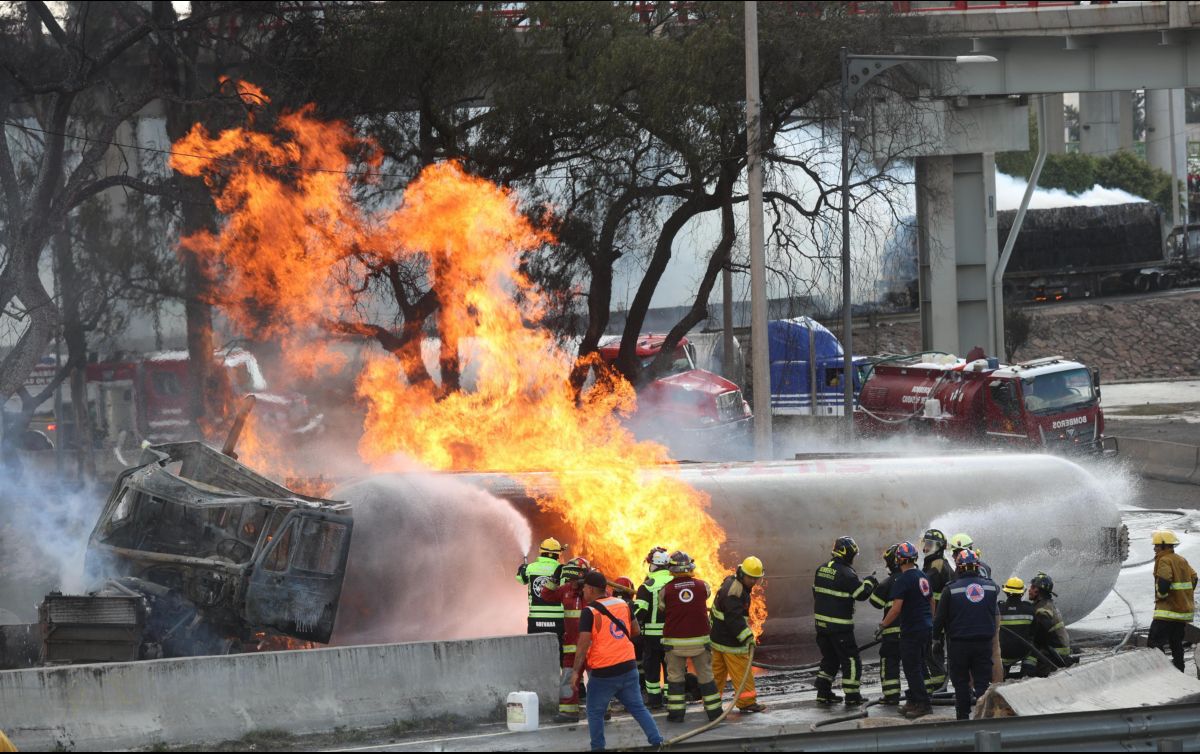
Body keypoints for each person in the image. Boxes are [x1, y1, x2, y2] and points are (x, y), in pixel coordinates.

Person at [571, 570, 663, 752]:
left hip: (603, 672)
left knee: (595, 713)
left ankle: (598, 748)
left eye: (584, 589)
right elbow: (635, 630)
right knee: (638, 708)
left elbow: (582, 645)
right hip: (628, 667)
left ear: (590, 589)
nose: (583, 592)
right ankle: (657, 741)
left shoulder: (589, 612)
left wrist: (575, 672)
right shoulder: (623, 604)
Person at [934, 550, 1000, 720]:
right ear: (977, 566)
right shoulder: (991, 587)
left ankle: (963, 717)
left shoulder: (950, 589)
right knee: (982, 682)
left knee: (961, 682)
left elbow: (940, 619)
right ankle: (983, 716)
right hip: (983, 643)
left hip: (959, 644)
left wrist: (935, 639)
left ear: (959, 568)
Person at [812, 536, 877, 706]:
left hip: (821, 626)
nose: (853, 558)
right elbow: (861, 594)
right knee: (851, 660)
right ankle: (852, 696)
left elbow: (817, 594)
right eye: (853, 554)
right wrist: (870, 582)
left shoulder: (821, 569)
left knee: (830, 659)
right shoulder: (846, 573)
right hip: (840, 627)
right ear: (846, 553)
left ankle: (823, 693)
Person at [661, 551, 722, 723]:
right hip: (700, 643)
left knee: (675, 678)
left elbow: (663, 608)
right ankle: (715, 712)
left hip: (675, 644)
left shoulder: (665, 590)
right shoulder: (703, 586)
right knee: (706, 677)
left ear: (671, 569)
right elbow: (707, 596)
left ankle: (676, 714)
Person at [879, 541, 933, 720]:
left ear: (899, 560)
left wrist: (883, 625)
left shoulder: (902, 580)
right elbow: (931, 602)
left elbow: (896, 609)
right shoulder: (923, 576)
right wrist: (929, 621)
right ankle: (913, 700)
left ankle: (923, 704)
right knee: (918, 665)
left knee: (912, 668)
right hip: (925, 628)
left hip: (911, 631)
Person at [710, 556, 766, 714]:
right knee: (742, 671)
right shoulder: (735, 592)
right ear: (742, 575)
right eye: (751, 579)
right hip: (730, 641)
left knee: (717, 674)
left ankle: (712, 704)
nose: (754, 582)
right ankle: (747, 702)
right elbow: (734, 620)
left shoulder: (731, 581)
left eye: (757, 579)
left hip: (717, 638)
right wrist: (748, 637)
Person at [541, 556, 590, 721]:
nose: (573, 581)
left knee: (598, 680)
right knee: (568, 679)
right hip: (571, 648)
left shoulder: (592, 591)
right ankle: (568, 712)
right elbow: (546, 595)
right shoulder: (565, 589)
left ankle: (603, 711)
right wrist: (554, 578)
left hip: (592, 647)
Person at [1148, 530, 1198, 672]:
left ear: (1164, 546)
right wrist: (1183, 595)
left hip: (1167, 612)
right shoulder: (1181, 560)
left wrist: (1162, 595)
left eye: (1157, 545)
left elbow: (1164, 583)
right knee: (1176, 644)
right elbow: (1194, 577)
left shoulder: (1164, 560)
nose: (1154, 548)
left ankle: (1164, 672)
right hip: (1182, 612)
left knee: (1153, 643)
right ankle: (1179, 671)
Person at [634, 546, 673, 709]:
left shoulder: (647, 585)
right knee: (672, 668)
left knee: (652, 669)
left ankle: (655, 700)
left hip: (652, 637)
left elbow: (639, 613)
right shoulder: (675, 582)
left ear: (653, 565)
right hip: (673, 635)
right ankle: (673, 698)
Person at [868, 544, 902, 705]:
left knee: (889, 663)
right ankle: (922, 695)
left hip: (892, 633)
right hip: (912, 632)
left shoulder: (888, 582)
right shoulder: (916, 577)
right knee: (916, 664)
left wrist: (875, 586)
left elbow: (875, 602)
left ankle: (891, 696)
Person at [921, 528, 953, 693]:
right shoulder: (936, 563)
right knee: (935, 650)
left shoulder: (937, 564)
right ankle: (939, 685)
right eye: (925, 544)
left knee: (933, 650)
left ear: (937, 546)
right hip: (939, 615)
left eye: (928, 544)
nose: (925, 548)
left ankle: (938, 686)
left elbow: (924, 587)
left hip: (937, 616)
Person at [517, 537, 565, 646]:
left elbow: (520, 579)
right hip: (558, 619)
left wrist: (523, 568)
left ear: (541, 552)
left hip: (536, 619)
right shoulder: (562, 569)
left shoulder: (530, 568)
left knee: (536, 651)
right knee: (558, 651)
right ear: (558, 554)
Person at [1028, 572, 1073, 676]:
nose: (1029, 590)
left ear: (1039, 590)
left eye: (1033, 587)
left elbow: (1041, 631)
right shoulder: (1046, 603)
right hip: (1057, 650)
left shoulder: (1043, 608)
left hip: (1054, 652)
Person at [998, 577, 1037, 679]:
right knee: (1034, 650)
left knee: (998, 677)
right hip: (1024, 652)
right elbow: (1034, 632)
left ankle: (1001, 676)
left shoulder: (998, 610)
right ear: (1022, 593)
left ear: (1005, 592)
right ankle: (1027, 675)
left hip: (1004, 654)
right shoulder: (1029, 609)